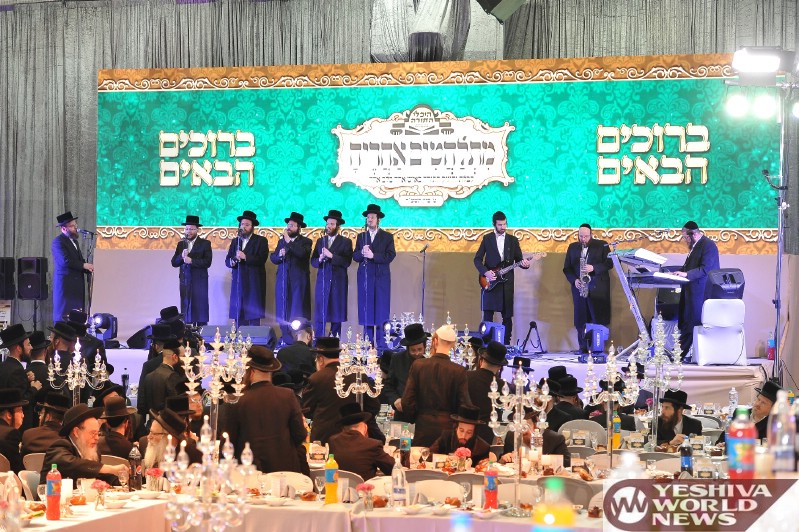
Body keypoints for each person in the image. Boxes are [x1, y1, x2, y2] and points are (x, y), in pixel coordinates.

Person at [227, 346, 307, 473]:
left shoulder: (239, 400)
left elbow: (228, 444)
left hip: (250, 472)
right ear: (271, 371)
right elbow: (300, 435)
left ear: (251, 371)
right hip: (284, 471)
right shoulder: (288, 395)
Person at [302, 337, 383, 445]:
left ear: (320, 359)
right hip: (354, 436)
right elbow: (373, 406)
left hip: (324, 438)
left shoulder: (316, 378)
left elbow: (307, 409)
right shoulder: (357, 375)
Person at [401, 325, 472, 446]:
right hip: (448, 430)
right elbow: (464, 404)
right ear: (453, 345)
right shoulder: (459, 371)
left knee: (420, 457)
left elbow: (407, 401)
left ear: (435, 341)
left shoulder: (418, 365)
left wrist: (415, 418)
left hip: (423, 428)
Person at [473, 211, 530, 345]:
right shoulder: (487, 239)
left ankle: (505, 346)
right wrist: (486, 272)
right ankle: (486, 345)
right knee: (488, 315)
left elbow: (519, 260)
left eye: (505, 224)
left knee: (507, 317)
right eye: (500, 225)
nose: (503, 227)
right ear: (494, 224)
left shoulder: (513, 240)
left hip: (506, 283)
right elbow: (477, 259)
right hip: (490, 282)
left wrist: (525, 265)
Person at [40, 404, 129, 485]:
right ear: (76, 432)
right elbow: (72, 464)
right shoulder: (60, 446)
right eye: (93, 433)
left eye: (98, 433)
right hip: (53, 496)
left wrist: (123, 479)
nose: (97, 438)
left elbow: (101, 475)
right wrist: (110, 468)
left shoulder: (92, 451)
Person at [673, 221, 720, 361]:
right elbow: (688, 267)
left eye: (685, 237)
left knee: (692, 323)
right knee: (687, 322)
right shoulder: (695, 246)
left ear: (693, 234)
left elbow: (706, 269)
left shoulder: (708, 245)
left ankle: (678, 355)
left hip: (701, 291)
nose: (685, 240)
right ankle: (678, 355)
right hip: (691, 290)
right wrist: (674, 273)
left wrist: (686, 274)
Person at [562, 224, 613, 353]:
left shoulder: (602, 245)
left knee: (598, 319)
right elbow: (567, 268)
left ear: (591, 235)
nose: (583, 239)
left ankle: (597, 348)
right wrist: (574, 280)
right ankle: (583, 348)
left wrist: (593, 268)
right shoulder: (572, 247)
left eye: (586, 236)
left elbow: (610, 263)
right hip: (579, 288)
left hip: (598, 288)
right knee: (580, 319)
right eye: (581, 236)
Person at [353, 204, 396, 350]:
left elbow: (391, 255)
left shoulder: (387, 236)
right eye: (368, 217)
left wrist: (373, 256)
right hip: (365, 278)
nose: (369, 219)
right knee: (367, 311)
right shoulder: (362, 236)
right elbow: (355, 256)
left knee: (381, 310)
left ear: (378, 219)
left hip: (381, 278)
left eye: (372, 217)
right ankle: (367, 345)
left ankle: (382, 345)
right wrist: (361, 253)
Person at [270, 212, 312, 343]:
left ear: (299, 228)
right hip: (283, 281)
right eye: (288, 225)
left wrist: (288, 242)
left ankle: (297, 340)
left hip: (298, 283)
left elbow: (301, 254)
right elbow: (273, 258)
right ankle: (286, 339)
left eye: (292, 225)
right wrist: (280, 255)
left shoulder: (306, 242)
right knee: (282, 311)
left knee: (296, 311)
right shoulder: (281, 242)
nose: (289, 228)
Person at [311, 209, 353, 338]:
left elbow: (346, 262)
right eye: (327, 224)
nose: (329, 226)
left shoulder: (346, 242)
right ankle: (319, 341)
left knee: (336, 313)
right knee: (321, 314)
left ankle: (334, 341)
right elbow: (313, 261)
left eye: (332, 224)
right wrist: (319, 259)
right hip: (323, 281)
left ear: (338, 226)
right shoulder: (320, 241)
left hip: (338, 282)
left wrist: (331, 256)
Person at [328, 403, 395, 482]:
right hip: (364, 488)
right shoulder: (373, 445)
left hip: (337, 488)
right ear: (365, 426)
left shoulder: (333, 441)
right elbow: (393, 468)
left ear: (343, 428)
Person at [225, 210, 269, 326]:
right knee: (239, 316)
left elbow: (262, 259)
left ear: (252, 227)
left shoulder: (261, 241)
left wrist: (246, 257)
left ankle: (254, 338)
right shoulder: (235, 241)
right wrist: (234, 260)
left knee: (253, 317)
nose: (244, 227)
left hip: (253, 284)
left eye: (247, 225)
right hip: (238, 283)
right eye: (242, 224)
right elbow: (228, 261)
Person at [51, 211, 93, 323]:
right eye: (72, 226)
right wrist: (83, 265)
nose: (76, 228)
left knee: (76, 318)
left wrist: (89, 268)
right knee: (64, 317)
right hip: (66, 287)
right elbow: (64, 261)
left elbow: (78, 260)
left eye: (75, 225)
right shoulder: (58, 242)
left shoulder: (74, 241)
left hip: (77, 287)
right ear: (64, 228)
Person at [170, 215, 212, 326]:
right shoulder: (181, 244)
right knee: (186, 309)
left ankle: (201, 333)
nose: (189, 231)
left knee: (200, 309)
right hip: (185, 282)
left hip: (199, 281)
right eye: (187, 229)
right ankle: (187, 333)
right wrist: (181, 256)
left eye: (192, 229)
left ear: (197, 230)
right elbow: (174, 263)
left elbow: (207, 262)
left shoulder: (205, 244)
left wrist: (191, 261)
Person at [383, 323, 428, 423]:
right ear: (407, 348)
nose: (417, 353)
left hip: (425, 415)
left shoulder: (430, 361)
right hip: (402, 414)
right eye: (413, 350)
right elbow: (389, 386)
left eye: (420, 349)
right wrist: (395, 400)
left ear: (424, 346)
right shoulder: (397, 359)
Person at [466, 340, 508, 444]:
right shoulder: (503, 386)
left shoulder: (466, 377)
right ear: (499, 367)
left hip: (466, 430)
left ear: (482, 359)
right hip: (490, 435)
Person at [500, 408, 570, 467]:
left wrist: (544, 459)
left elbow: (567, 462)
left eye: (526, 426)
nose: (523, 431)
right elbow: (503, 461)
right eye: (518, 427)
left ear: (536, 423)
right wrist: (504, 459)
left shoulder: (555, 438)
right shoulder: (511, 436)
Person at [0, 324, 40, 426]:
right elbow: (20, 400)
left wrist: (26, 379)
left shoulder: (4, 365)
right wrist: (34, 388)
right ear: (19, 348)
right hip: (16, 425)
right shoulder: (17, 370)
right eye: (28, 344)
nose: (31, 347)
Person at [429, 405, 495, 464]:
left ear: (474, 433)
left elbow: (487, 466)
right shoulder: (446, 437)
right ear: (456, 428)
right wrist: (447, 458)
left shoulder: (482, 447)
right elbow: (428, 455)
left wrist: (489, 462)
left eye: (469, 432)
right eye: (461, 430)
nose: (464, 436)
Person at [140, 339, 184, 415]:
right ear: (175, 357)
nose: (184, 361)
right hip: (167, 420)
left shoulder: (148, 376)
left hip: (152, 420)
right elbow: (177, 405)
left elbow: (143, 403)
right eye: (182, 357)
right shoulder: (172, 376)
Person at [0, 388, 27, 473]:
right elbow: (17, 468)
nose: (23, 415)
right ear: (9, 415)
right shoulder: (11, 434)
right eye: (20, 411)